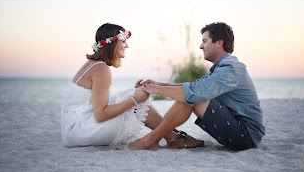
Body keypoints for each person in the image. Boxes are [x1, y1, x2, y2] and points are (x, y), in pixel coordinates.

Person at [61, 23, 204, 149]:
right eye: (124, 41)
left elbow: (101, 103)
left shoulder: (95, 65)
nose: (127, 45)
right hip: (80, 131)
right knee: (135, 101)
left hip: (74, 128)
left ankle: (173, 135)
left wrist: (134, 94)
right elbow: (100, 115)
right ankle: (173, 137)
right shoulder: (101, 69)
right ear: (113, 43)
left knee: (133, 93)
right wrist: (135, 100)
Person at [129, 22, 265, 151]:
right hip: (238, 129)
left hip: (246, 136)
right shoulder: (223, 67)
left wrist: (158, 90)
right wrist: (160, 85)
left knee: (193, 97)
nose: (201, 46)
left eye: (205, 41)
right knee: (192, 94)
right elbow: (196, 86)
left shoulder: (229, 68)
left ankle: (149, 141)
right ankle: (172, 138)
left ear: (219, 43)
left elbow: (195, 92)